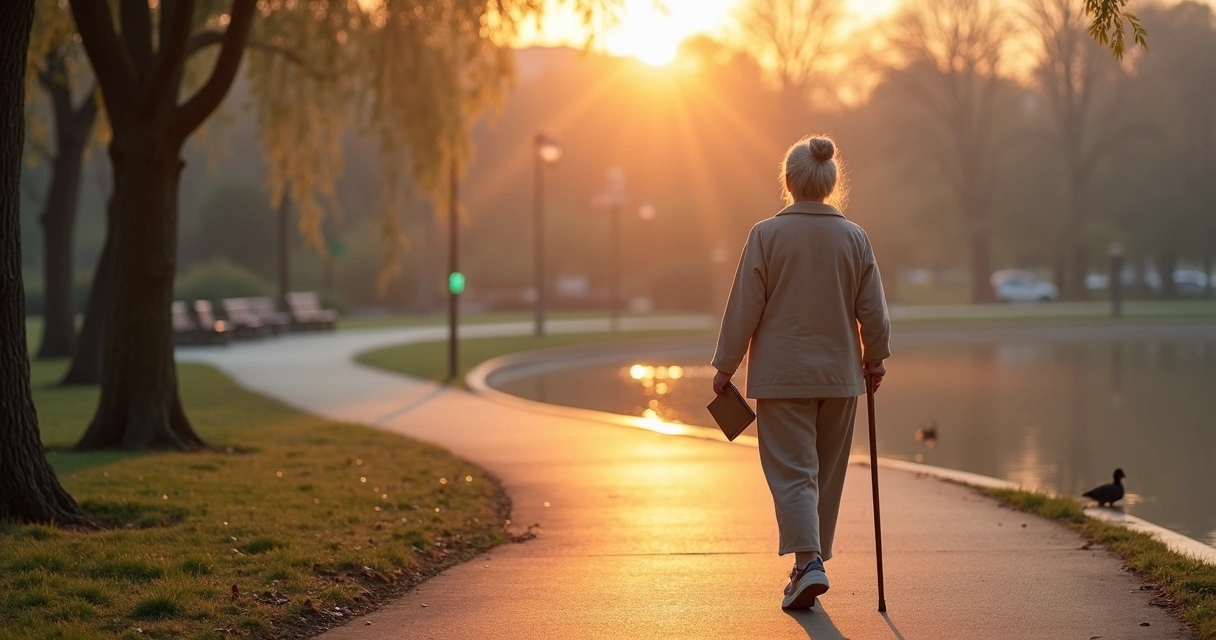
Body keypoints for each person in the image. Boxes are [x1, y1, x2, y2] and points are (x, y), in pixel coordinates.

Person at [710, 134, 891, 610]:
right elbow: (872, 310)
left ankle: (808, 562)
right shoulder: (855, 237)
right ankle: (807, 565)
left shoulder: (766, 235)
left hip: (782, 375)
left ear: (788, 181)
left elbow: (744, 308)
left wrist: (724, 367)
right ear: (831, 185)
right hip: (840, 377)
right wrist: (875, 357)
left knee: (793, 473)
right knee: (825, 475)